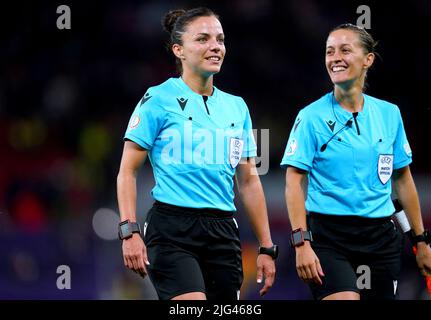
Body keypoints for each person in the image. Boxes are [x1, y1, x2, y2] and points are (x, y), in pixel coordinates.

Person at [116, 7, 277, 301]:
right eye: (203, 39)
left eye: (220, 39)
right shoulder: (156, 99)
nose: (215, 46)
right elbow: (127, 170)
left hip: (224, 233)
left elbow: (250, 180)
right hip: (172, 230)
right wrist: (129, 231)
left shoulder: (238, 107)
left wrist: (266, 246)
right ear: (179, 50)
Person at [281, 23, 431, 300]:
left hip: (381, 240)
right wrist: (301, 243)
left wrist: (421, 241)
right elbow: (293, 181)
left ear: (368, 60)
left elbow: (403, 179)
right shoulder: (310, 117)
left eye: (345, 50)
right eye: (329, 51)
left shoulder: (390, 114)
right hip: (328, 239)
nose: (335, 57)